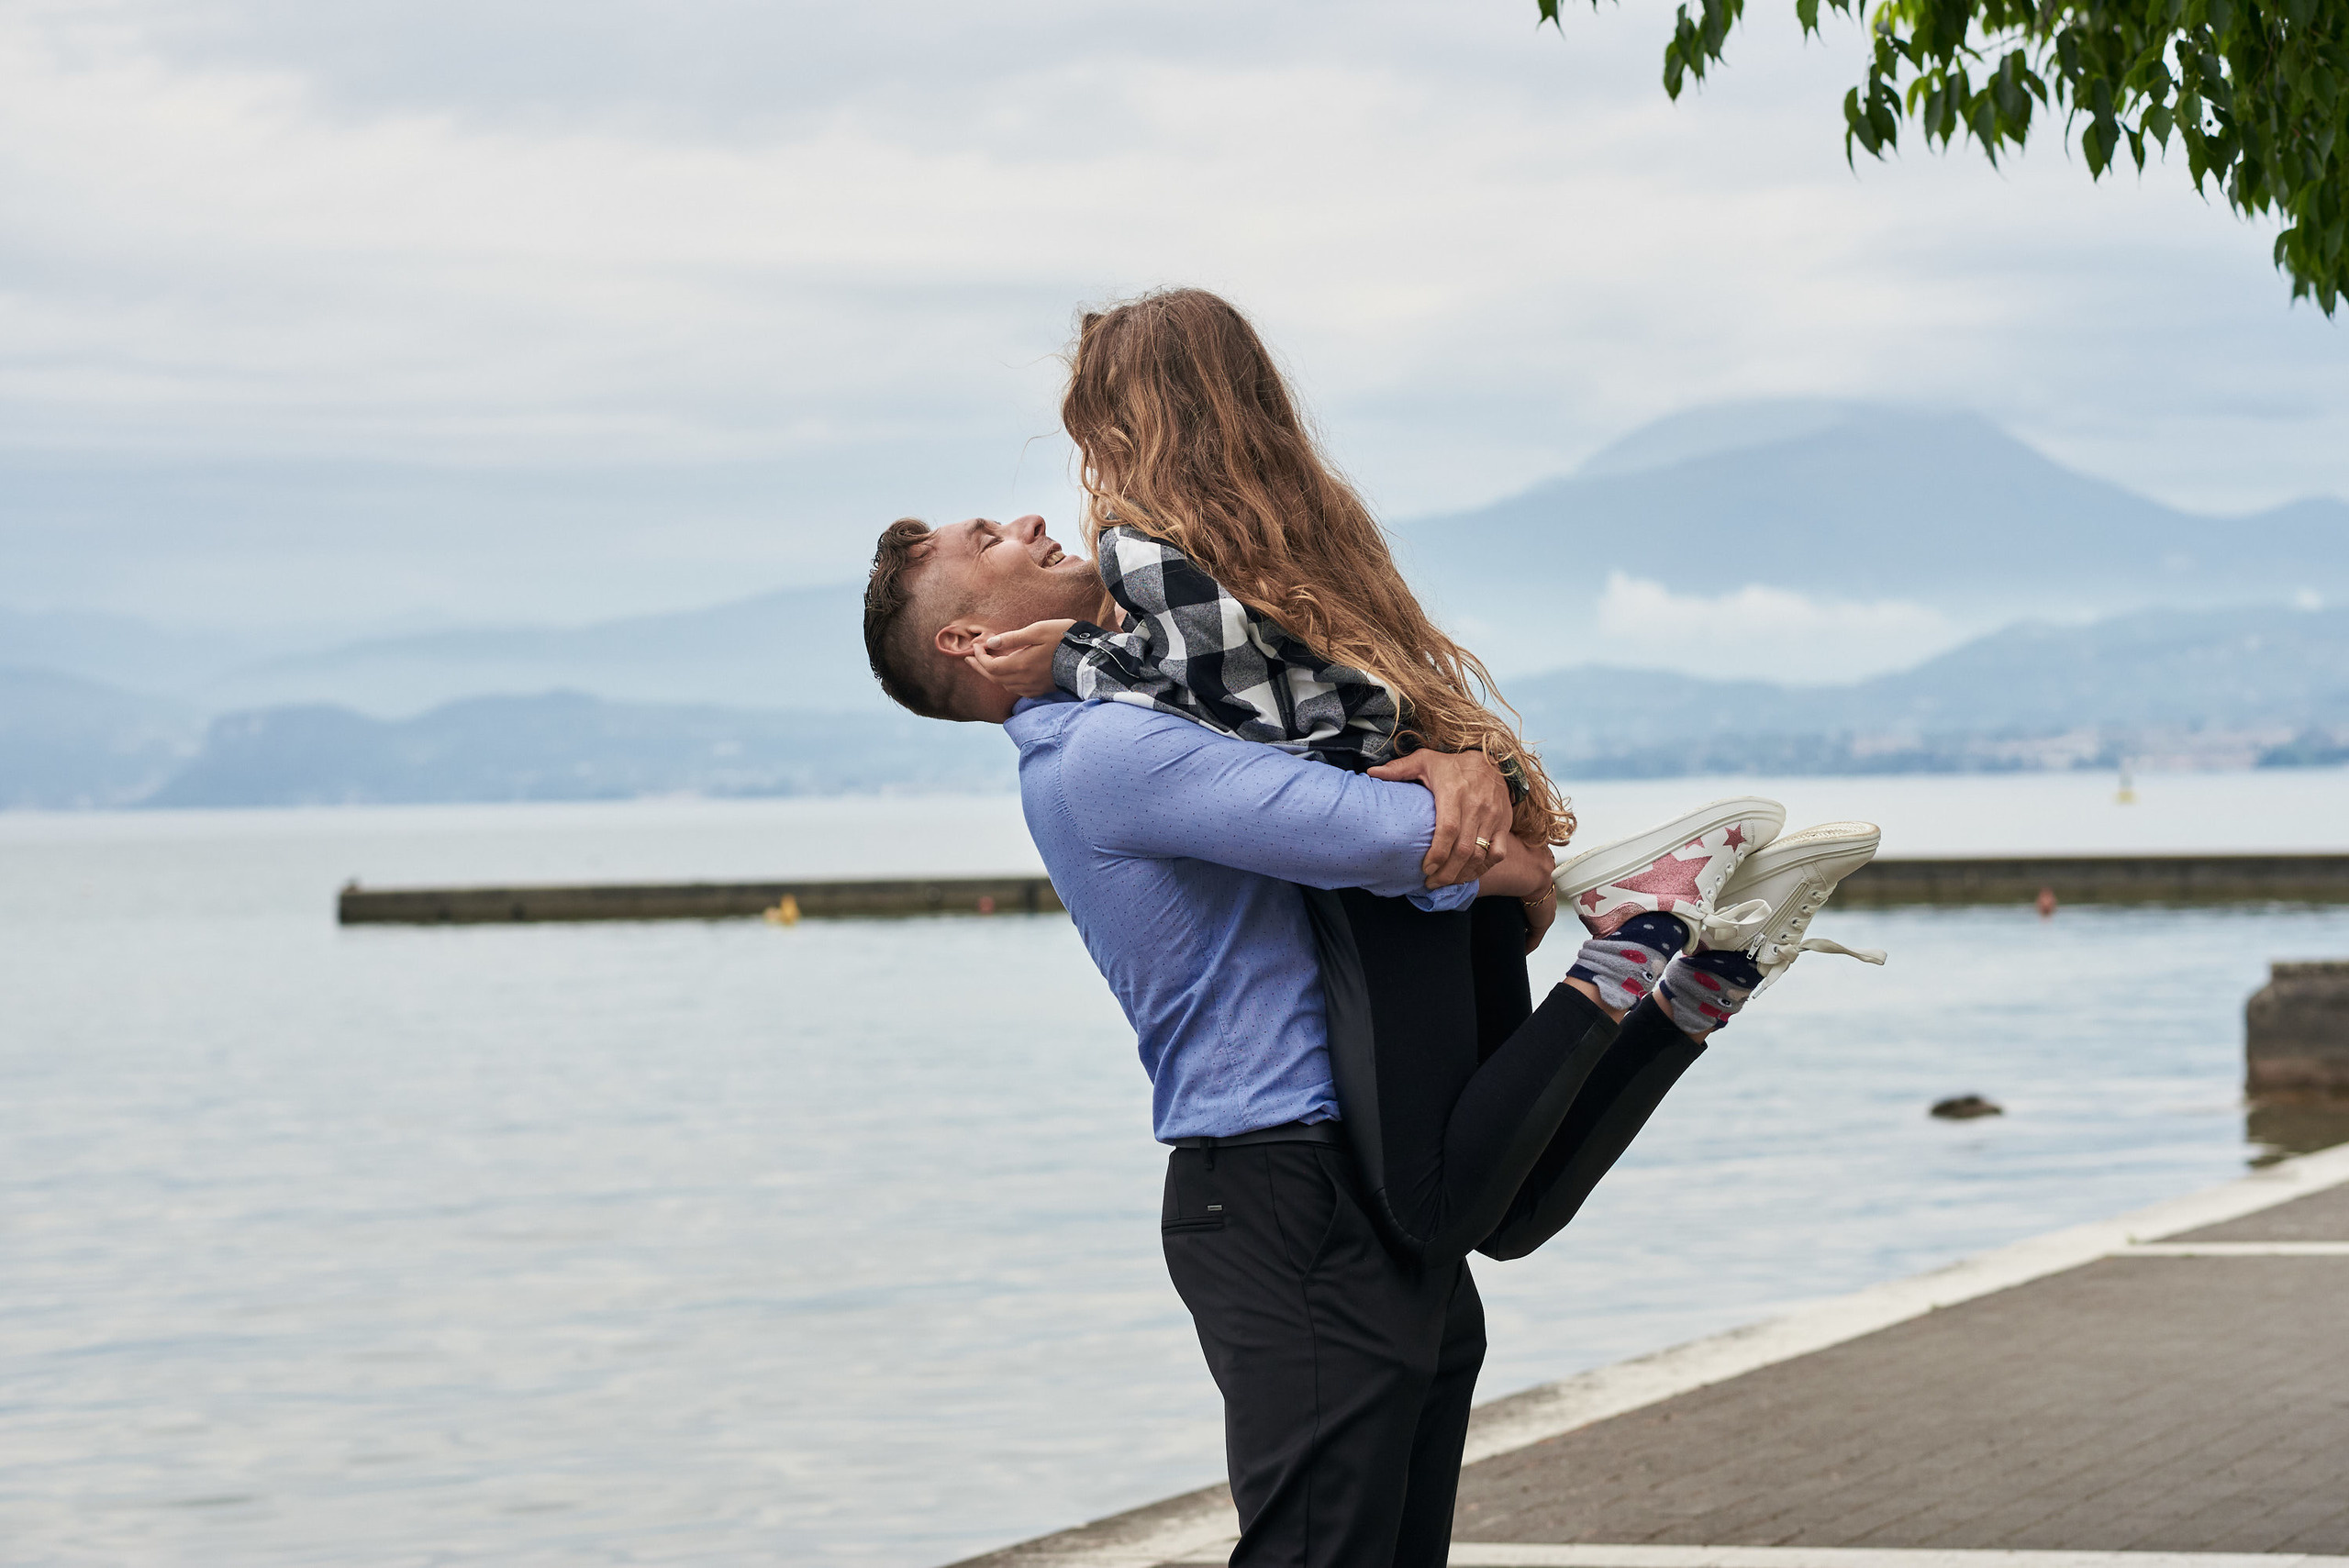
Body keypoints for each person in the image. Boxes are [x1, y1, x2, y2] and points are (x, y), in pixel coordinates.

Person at [861, 509, 1881, 1567]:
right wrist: (1488, 822)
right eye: (986, 540)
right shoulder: (1106, 752)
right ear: (968, 641)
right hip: (1282, 1195)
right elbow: (1390, 837)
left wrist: (1467, 785)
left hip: (1358, 1170)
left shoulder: (1133, 710)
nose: (1027, 519)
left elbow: (1329, 767)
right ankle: (1650, 936)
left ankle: (1692, 964)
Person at [957, 290, 1884, 1263]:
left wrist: (1074, 662)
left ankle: (1646, 923)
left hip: (1397, 869)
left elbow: (1219, 703)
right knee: (1512, 1212)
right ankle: (1709, 974)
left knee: (1433, 1206)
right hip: (1449, 848)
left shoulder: (1145, 549)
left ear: (1123, 419)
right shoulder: (1306, 521)